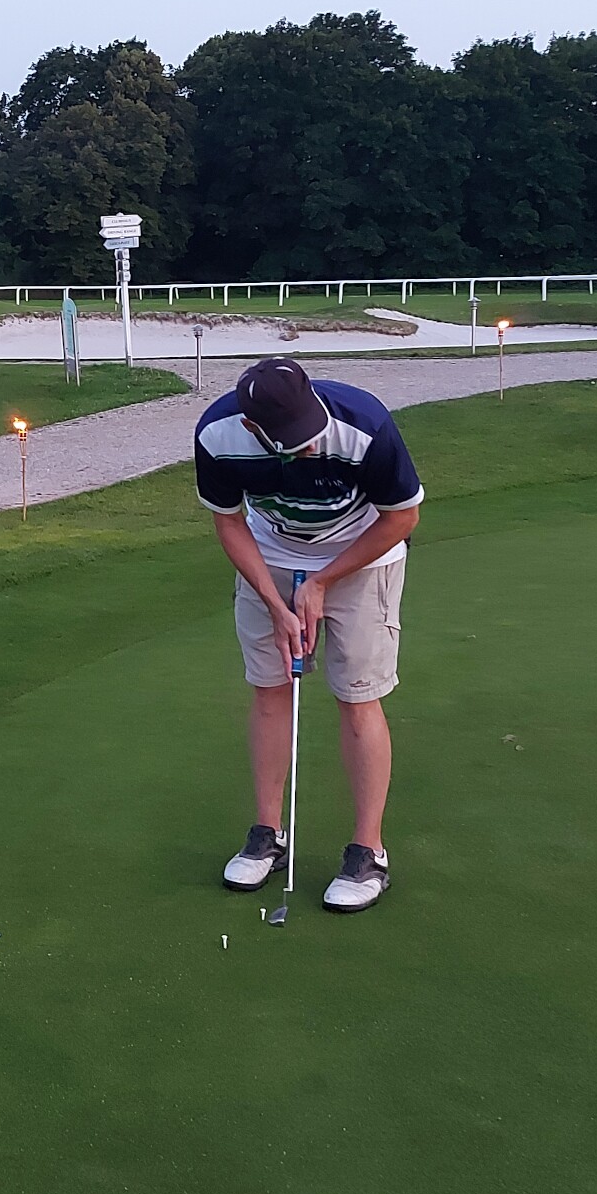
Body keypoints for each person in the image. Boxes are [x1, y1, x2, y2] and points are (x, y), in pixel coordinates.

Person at [193, 356, 423, 913]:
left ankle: (368, 853)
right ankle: (267, 836)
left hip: (363, 555)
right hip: (269, 555)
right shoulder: (218, 435)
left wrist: (321, 582)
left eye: (311, 430)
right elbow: (229, 521)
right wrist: (276, 605)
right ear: (252, 428)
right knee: (270, 690)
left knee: (358, 697)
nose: (312, 445)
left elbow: (402, 517)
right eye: (295, 441)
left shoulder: (363, 424)